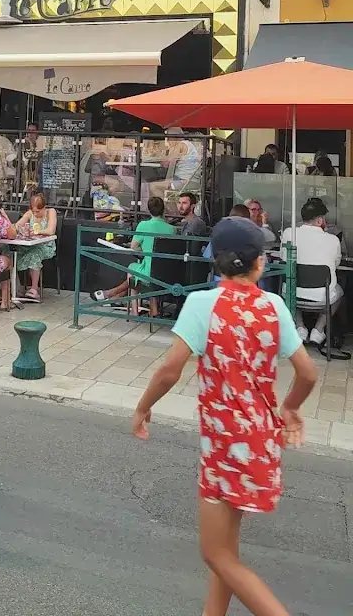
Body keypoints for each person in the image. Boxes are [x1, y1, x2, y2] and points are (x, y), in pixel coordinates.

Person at [132, 216, 317, 616]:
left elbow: (170, 370)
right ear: (260, 263)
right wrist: (291, 408)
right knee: (226, 549)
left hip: (222, 446)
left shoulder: (202, 304)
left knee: (216, 555)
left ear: (214, 261)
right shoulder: (274, 306)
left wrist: (144, 406)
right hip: (260, 443)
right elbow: (308, 372)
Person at [281, 197, 349, 354]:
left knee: (293, 283)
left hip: (292, 293)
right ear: (320, 220)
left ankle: (300, 327)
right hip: (321, 296)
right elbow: (336, 263)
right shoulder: (332, 240)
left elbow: (284, 258)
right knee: (339, 291)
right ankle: (318, 330)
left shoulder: (289, 233)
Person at [129, 196, 175, 317]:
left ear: (149, 210)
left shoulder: (143, 225)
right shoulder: (172, 229)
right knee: (154, 271)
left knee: (131, 269)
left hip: (149, 271)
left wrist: (144, 251)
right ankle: (154, 309)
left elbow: (134, 246)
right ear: (163, 210)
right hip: (167, 273)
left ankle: (134, 311)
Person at [15, 192, 57, 301]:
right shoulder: (30, 214)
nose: (35, 214)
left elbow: (51, 230)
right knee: (12, 254)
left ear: (44, 207)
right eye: (33, 211)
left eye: (38, 211)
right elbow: (17, 225)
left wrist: (36, 232)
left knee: (35, 254)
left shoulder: (50, 212)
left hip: (46, 246)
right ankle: (16, 287)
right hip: (30, 245)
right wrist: (23, 230)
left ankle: (34, 289)